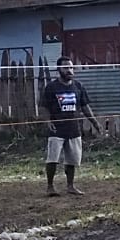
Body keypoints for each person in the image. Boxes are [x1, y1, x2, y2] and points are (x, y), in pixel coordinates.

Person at [40, 56, 101, 196]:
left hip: (73, 128)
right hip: (57, 128)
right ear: (59, 69)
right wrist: (48, 122)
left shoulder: (78, 86)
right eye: (66, 67)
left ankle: (70, 186)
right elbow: (43, 107)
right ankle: (50, 187)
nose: (69, 70)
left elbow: (85, 106)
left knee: (72, 159)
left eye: (71, 67)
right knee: (53, 158)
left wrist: (95, 122)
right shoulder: (51, 87)